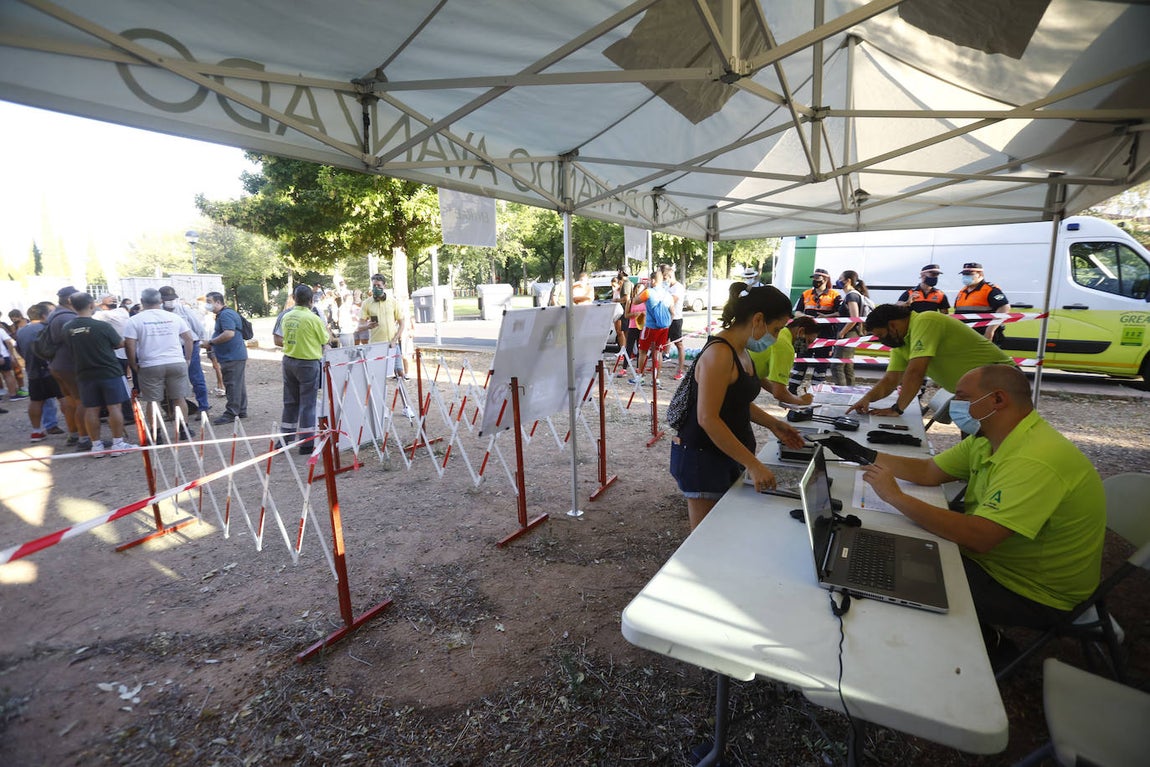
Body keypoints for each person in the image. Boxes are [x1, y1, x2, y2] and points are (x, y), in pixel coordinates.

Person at [821, 365, 1105, 664]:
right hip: (999, 564)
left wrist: (896, 497)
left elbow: (979, 537)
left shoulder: (1035, 460)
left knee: (892, 577)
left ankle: (987, 648)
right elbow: (930, 471)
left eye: (963, 397)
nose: (956, 406)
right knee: (892, 553)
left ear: (997, 400)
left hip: (1034, 592)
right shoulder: (991, 438)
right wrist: (861, 452)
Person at [670, 282, 806, 529]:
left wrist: (775, 424)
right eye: (776, 330)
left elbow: (736, 402)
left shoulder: (741, 350)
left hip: (728, 455)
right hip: (703, 459)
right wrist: (753, 464)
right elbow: (708, 418)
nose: (775, 338)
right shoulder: (720, 354)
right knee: (708, 538)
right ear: (758, 319)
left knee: (728, 530)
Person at [845, 304, 1014, 417]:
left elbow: (915, 371)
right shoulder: (901, 343)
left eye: (882, 335)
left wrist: (897, 409)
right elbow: (891, 379)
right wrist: (867, 399)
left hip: (1000, 383)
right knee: (979, 448)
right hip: (974, 394)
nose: (882, 341)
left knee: (1002, 443)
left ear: (893, 325)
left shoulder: (926, 320)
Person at [62, 293, 134, 457]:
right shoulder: (102, 326)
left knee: (91, 409)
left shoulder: (67, 328)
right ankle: (118, 444)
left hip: (84, 373)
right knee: (114, 407)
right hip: (108, 371)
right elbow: (119, 344)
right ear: (92, 305)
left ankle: (96, 446)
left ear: (72, 306)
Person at [123, 288, 195, 438]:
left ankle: (156, 434)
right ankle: (184, 429)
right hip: (175, 361)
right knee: (179, 398)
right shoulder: (173, 317)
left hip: (150, 364)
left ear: (142, 302)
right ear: (161, 301)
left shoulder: (134, 320)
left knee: (152, 400)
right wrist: (187, 358)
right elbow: (188, 338)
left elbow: (130, 345)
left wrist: (132, 364)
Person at [274, 285, 329, 455]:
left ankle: (285, 439)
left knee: (290, 402)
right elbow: (324, 339)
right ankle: (306, 442)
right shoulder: (313, 318)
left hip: (289, 361)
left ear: (294, 298)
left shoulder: (287, 316)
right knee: (308, 403)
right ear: (311, 300)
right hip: (308, 362)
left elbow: (280, 338)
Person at [45, 286, 89, 449]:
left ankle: (74, 434)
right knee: (83, 402)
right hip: (70, 365)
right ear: (71, 300)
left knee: (71, 402)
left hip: (57, 365)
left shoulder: (54, 314)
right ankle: (85, 439)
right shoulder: (67, 317)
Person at [15, 303, 64, 440]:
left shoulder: (21, 331)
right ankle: (75, 429)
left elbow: (19, 349)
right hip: (51, 369)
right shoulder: (46, 329)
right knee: (64, 397)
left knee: (36, 401)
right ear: (44, 315)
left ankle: (36, 431)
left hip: (33, 372)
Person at [159, 286, 210, 414]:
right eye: (167, 299)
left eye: (172, 299)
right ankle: (176, 409)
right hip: (170, 349)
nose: (170, 302)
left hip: (189, 346)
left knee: (196, 377)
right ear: (161, 300)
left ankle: (203, 407)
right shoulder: (158, 312)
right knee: (173, 380)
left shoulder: (183, 309)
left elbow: (197, 327)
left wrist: (204, 340)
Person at [748, 315, 818, 407]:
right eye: (808, 341)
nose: (807, 347)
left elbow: (758, 376)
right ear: (801, 332)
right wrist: (801, 401)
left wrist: (790, 397)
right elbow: (779, 393)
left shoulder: (781, 334)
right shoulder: (786, 346)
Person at [791, 268, 841, 393]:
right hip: (804, 334)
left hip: (825, 334)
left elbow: (840, 313)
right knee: (800, 361)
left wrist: (826, 317)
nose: (814, 280)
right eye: (813, 278)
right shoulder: (806, 293)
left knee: (821, 364)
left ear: (825, 279)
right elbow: (796, 311)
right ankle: (792, 389)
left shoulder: (834, 295)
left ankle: (815, 391)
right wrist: (805, 316)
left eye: (817, 278)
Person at [205, 291, 249, 425]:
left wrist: (211, 342)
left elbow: (229, 333)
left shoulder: (225, 315)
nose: (207, 305)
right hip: (234, 354)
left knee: (232, 384)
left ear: (218, 302)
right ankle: (241, 409)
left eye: (209, 302)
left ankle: (231, 412)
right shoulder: (225, 314)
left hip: (232, 355)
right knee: (237, 384)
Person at [94, 293, 135, 425]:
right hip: (120, 353)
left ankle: (128, 414)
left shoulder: (108, 314)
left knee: (120, 384)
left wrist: (95, 305)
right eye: (109, 296)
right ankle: (107, 410)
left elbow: (90, 317)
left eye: (113, 297)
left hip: (118, 354)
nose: (113, 298)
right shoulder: (119, 312)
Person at [359, 273, 406, 375]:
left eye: (379, 286)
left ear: (384, 286)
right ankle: (380, 391)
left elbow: (402, 323)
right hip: (375, 345)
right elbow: (359, 326)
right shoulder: (366, 303)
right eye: (374, 286)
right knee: (377, 375)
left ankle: (403, 391)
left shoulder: (393, 302)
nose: (376, 288)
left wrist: (395, 339)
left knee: (399, 372)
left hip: (392, 344)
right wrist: (367, 326)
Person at [954, 262, 1011, 342]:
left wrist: (990, 330)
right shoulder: (962, 291)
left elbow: (1004, 308)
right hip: (965, 336)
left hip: (982, 335)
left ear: (980, 274)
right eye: (964, 274)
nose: (966, 276)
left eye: (969, 274)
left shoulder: (990, 290)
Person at [830, 270, 870, 386]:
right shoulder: (853, 295)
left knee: (837, 365)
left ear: (848, 281)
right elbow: (843, 314)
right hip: (852, 333)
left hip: (848, 333)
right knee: (847, 365)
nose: (838, 281)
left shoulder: (851, 296)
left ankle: (842, 393)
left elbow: (854, 317)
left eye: (840, 278)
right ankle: (850, 391)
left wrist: (842, 333)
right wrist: (826, 316)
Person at [633, 269, 673, 382]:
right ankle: (656, 378)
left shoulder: (648, 292)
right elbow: (672, 311)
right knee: (658, 352)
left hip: (650, 326)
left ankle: (640, 376)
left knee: (643, 351)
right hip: (664, 327)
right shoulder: (667, 294)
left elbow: (635, 301)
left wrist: (645, 288)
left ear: (653, 280)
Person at [661, 264, 688, 380]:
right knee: (660, 344)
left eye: (664, 278)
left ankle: (680, 370)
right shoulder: (666, 287)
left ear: (670, 275)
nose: (663, 280)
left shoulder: (678, 287)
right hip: (665, 319)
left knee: (679, 344)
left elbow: (670, 301)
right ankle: (657, 367)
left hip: (675, 319)